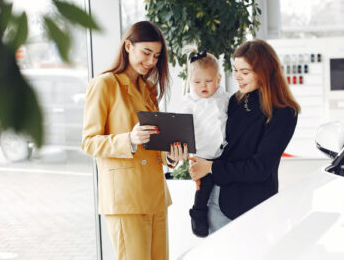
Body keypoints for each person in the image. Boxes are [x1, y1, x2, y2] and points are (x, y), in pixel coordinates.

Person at [81, 21, 187, 260]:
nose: (150, 61)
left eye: (156, 56)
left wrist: (170, 156)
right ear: (128, 46)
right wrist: (128, 139)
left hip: (156, 197)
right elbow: (88, 141)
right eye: (146, 53)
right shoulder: (105, 84)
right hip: (126, 198)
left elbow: (155, 141)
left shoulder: (147, 89)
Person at [189, 39, 300, 233]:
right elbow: (219, 145)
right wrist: (198, 162)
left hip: (255, 207)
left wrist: (211, 167)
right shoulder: (236, 100)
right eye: (236, 70)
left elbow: (260, 168)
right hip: (218, 201)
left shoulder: (284, 112)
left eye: (245, 72)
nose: (238, 77)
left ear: (265, 72)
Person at [176, 47, 229, 237]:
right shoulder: (189, 102)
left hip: (223, 154)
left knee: (222, 185)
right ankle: (198, 214)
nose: (203, 86)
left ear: (218, 80)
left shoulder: (224, 98)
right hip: (201, 154)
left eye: (208, 81)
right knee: (203, 187)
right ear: (191, 82)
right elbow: (180, 127)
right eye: (197, 82)